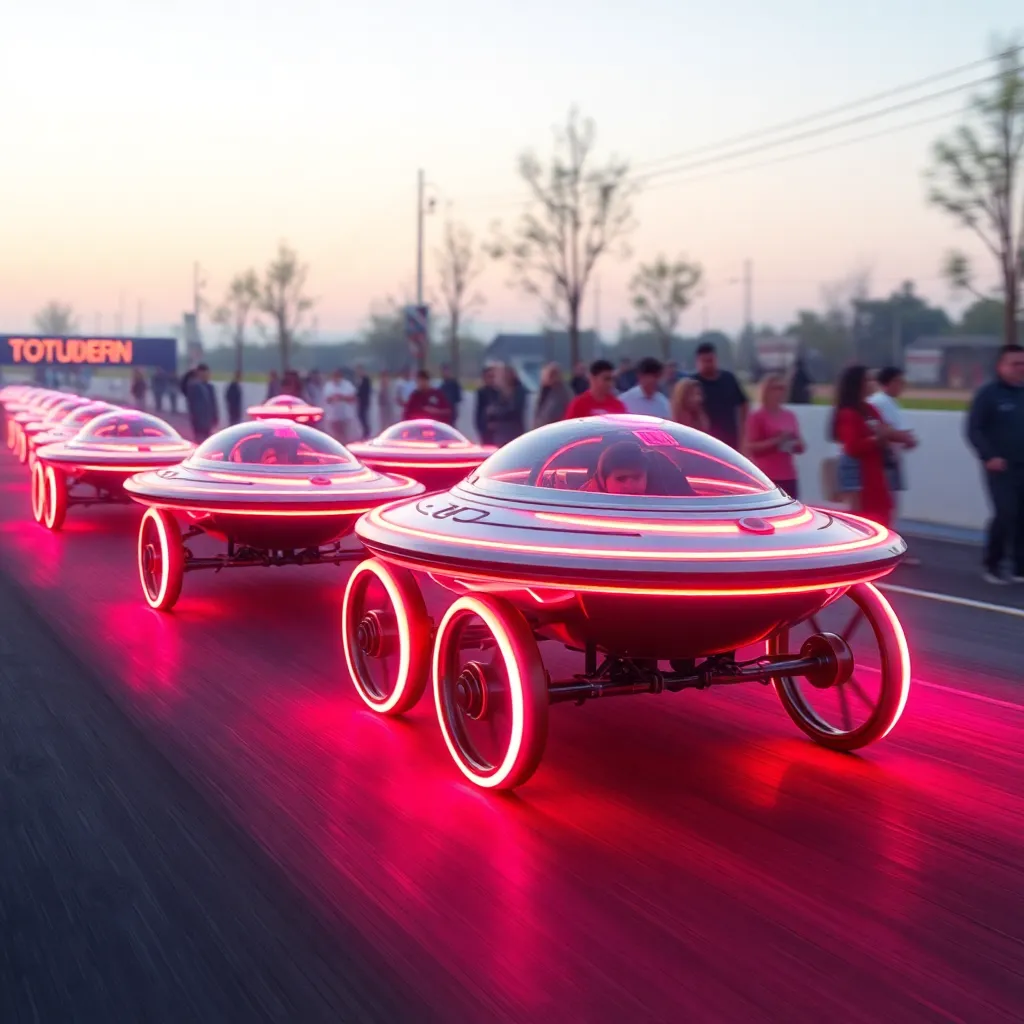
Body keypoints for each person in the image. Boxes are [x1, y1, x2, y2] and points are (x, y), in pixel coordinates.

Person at [966, 343, 1024, 584]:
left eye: (1023, 363)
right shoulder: (989, 394)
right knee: (1006, 513)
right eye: (1015, 363)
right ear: (1001, 366)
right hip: (1001, 468)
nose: (1020, 368)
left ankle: (1019, 567)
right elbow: (974, 429)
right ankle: (993, 564)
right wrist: (989, 456)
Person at [831, 364, 897, 528]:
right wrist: (876, 439)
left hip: (875, 470)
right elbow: (852, 446)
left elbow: (883, 429)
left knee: (882, 514)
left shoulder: (870, 409)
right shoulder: (849, 413)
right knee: (864, 519)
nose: (871, 383)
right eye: (867, 379)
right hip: (860, 474)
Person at [869, 366, 919, 563]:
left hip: (891, 459)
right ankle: (885, 549)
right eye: (899, 381)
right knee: (885, 506)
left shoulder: (888, 402)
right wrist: (904, 438)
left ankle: (888, 547)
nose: (902, 386)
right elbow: (884, 431)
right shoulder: (879, 402)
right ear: (889, 383)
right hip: (884, 460)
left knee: (890, 506)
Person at [744, 372, 805, 497]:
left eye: (782, 388)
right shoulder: (757, 416)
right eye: (775, 388)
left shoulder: (789, 416)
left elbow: (801, 445)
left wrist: (795, 444)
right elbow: (751, 447)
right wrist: (776, 441)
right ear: (766, 390)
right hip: (767, 475)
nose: (779, 392)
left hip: (788, 474)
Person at [693, 341, 747, 450]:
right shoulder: (694, 383)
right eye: (704, 361)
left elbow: (743, 403)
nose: (708, 364)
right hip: (705, 440)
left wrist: (743, 428)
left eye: (710, 360)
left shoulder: (728, 379)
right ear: (698, 362)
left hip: (731, 438)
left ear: (716, 359)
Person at [581, 442, 650, 496]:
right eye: (621, 479)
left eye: (636, 477)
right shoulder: (581, 505)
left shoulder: (659, 499)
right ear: (603, 479)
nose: (629, 485)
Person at [486, 364, 527, 445]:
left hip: (513, 432)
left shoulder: (518, 391)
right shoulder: (498, 391)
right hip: (499, 434)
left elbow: (514, 410)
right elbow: (491, 411)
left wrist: (497, 411)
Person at [322, 368, 357, 443]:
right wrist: (333, 397)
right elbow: (327, 399)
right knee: (335, 436)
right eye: (335, 376)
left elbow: (353, 398)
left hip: (345, 415)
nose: (336, 378)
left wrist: (342, 397)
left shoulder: (347, 384)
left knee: (345, 435)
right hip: (333, 416)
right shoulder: (329, 385)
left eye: (338, 376)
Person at [186, 364, 219, 443]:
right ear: (199, 373)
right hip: (199, 422)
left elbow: (213, 404)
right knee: (200, 442)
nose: (207, 376)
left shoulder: (209, 387)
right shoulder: (193, 386)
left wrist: (215, 417)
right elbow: (193, 406)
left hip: (208, 421)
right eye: (205, 374)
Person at [533, 362, 571, 427]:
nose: (543, 377)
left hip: (555, 429)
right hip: (540, 429)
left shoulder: (563, 392)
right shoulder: (542, 390)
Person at [474, 365, 499, 444]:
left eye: (492, 377)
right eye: (488, 377)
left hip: (497, 428)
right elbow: (479, 410)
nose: (490, 380)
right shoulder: (481, 392)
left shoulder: (498, 392)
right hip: (485, 427)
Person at [354, 365, 372, 439]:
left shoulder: (366, 380)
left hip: (364, 401)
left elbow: (365, 391)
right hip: (361, 401)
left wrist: (357, 395)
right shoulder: (360, 380)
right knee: (361, 416)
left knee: (362, 416)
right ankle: (365, 431)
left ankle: (366, 431)